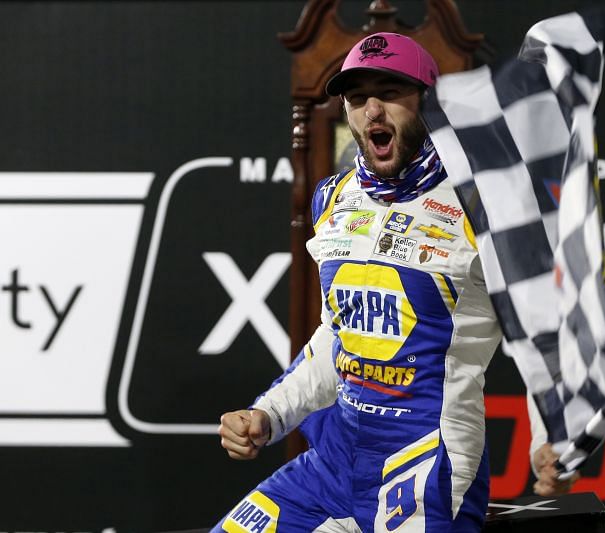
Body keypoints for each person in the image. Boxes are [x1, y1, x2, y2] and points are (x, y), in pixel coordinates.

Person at [213, 32, 575, 533]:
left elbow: (542, 336)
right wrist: (269, 414)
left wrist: (548, 438)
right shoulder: (334, 197)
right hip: (333, 462)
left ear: (429, 103)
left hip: (428, 464)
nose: (372, 111)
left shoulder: (484, 204)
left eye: (391, 92)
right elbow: (334, 340)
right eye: (358, 98)